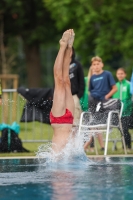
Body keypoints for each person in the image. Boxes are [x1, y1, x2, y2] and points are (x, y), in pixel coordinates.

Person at [84, 56, 117, 152]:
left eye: (98, 64)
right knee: (94, 124)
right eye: (94, 64)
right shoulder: (92, 78)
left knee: (96, 124)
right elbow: (91, 92)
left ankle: (86, 146)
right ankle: (99, 146)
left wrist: (107, 97)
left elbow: (115, 88)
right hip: (94, 101)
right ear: (92, 67)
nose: (96, 66)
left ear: (102, 64)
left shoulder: (107, 74)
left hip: (105, 102)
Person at [50, 29, 75, 153]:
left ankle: (63, 46)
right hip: (67, 120)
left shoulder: (57, 162)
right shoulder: (58, 161)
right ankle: (68, 46)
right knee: (65, 81)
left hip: (59, 119)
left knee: (60, 81)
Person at [112, 68, 133, 151]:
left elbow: (130, 98)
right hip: (119, 113)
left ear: (125, 74)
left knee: (125, 128)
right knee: (122, 129)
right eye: (118, 74)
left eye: (122, 73)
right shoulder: (115, 86)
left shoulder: (129, 84)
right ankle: (126, 146)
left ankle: (128, 146)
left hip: (128, 111)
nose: (120, 75)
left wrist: (127, 107)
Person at [69, 48, 85, 125]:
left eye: (70, 50)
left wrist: (79, 95)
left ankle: (75, 135)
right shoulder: (61, 65)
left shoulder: (77, 65)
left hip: (74, 95)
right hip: (63, 96)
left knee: (75, 118)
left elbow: (81, 80)